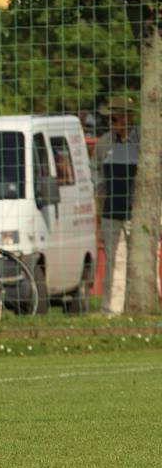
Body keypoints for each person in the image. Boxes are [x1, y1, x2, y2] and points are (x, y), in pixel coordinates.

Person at [92, 96, 140, 315]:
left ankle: (143, 306)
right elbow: (94, 170)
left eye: (115, 117)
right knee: (115, 261)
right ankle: (112, 310)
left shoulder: (144, 140)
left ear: (129, 117)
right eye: (109, 118)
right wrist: (100, 187)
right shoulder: (104, 143)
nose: (111, 122)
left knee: (142, 260)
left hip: (139, 213)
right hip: (112, 210)